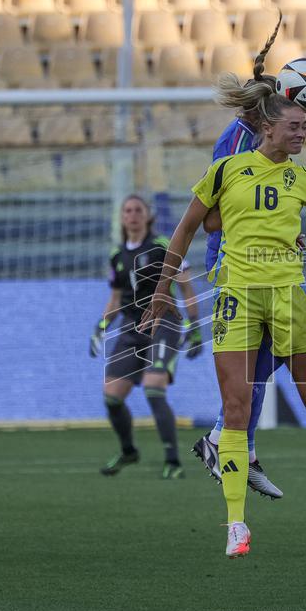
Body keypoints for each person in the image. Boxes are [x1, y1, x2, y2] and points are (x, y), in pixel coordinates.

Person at [141, 78, 306, 558]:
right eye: (295, 126)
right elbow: (187, 230)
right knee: (237, 414)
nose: (302, 133)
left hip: (288, 298)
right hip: (235, 299)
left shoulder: (304, 180)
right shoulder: (226, 170)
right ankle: (236, 524)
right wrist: (163, 291)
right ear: (267, 127)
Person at [191, 16, 288, 500]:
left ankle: (233, 445)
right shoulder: (232, 144)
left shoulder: (260, 141)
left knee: (270, 356)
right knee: (257, 358)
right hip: (230, 262)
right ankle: (228, 442)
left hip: (261, 259)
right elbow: (211, 214)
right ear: (261, 112)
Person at [90, 195, 201, 480]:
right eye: (127, 210)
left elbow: (186, 289)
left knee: (154, 388)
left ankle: (173, 461)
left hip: (164, 322)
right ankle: (129, 451)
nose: (132, 215)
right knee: (112, 397)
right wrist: (101, 327)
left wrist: (196, 327)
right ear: (122, 217)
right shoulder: (117, 255)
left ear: (148, 216)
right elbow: (115, 299)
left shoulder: (163, 246)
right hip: (131, 327)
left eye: (138, 210)